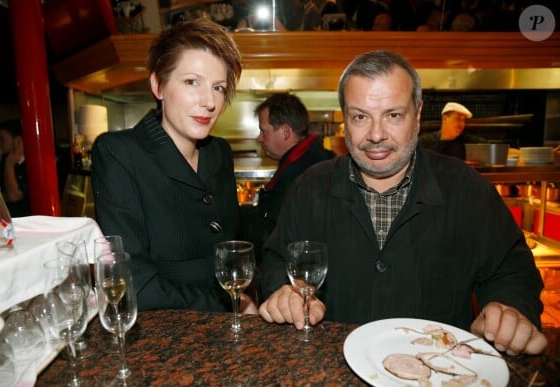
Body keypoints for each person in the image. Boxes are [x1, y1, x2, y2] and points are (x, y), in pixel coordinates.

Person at [259, 50, 547, 356]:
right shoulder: (309, 187)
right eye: (360, 117)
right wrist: (282, 291)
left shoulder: (468, 189)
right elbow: (277, 259)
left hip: (439, 371)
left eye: (393, 115)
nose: (376, 134)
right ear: (345, 118)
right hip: (333, 368)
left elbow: (512, 273)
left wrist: (511, 308)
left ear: (418, 114)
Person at [91, 19, 257, 314]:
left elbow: (232, 247)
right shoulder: (119, 153)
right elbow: (136, 284)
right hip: (164, 337)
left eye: (218, 87)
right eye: (192, 82)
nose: (209, 101)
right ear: (158, 85)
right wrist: (231, 304)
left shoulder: (219, 152)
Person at [241, 92, 335, 261]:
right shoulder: (313, 157)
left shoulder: (302, 175)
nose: (259, 138)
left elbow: (277, 234)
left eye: (264, 131)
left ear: (285, 131)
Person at [418, 101, 484, 160]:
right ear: (445, 118)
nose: (462, 124)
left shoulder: (468, 141)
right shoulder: (425, 141)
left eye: (464, 120)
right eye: (458, 119)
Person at [0, 119, 31, 217]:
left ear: (17, 141)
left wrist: (9, 164)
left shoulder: (31, 165)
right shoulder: (1, 163)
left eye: (1, 138)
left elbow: (13, 196)